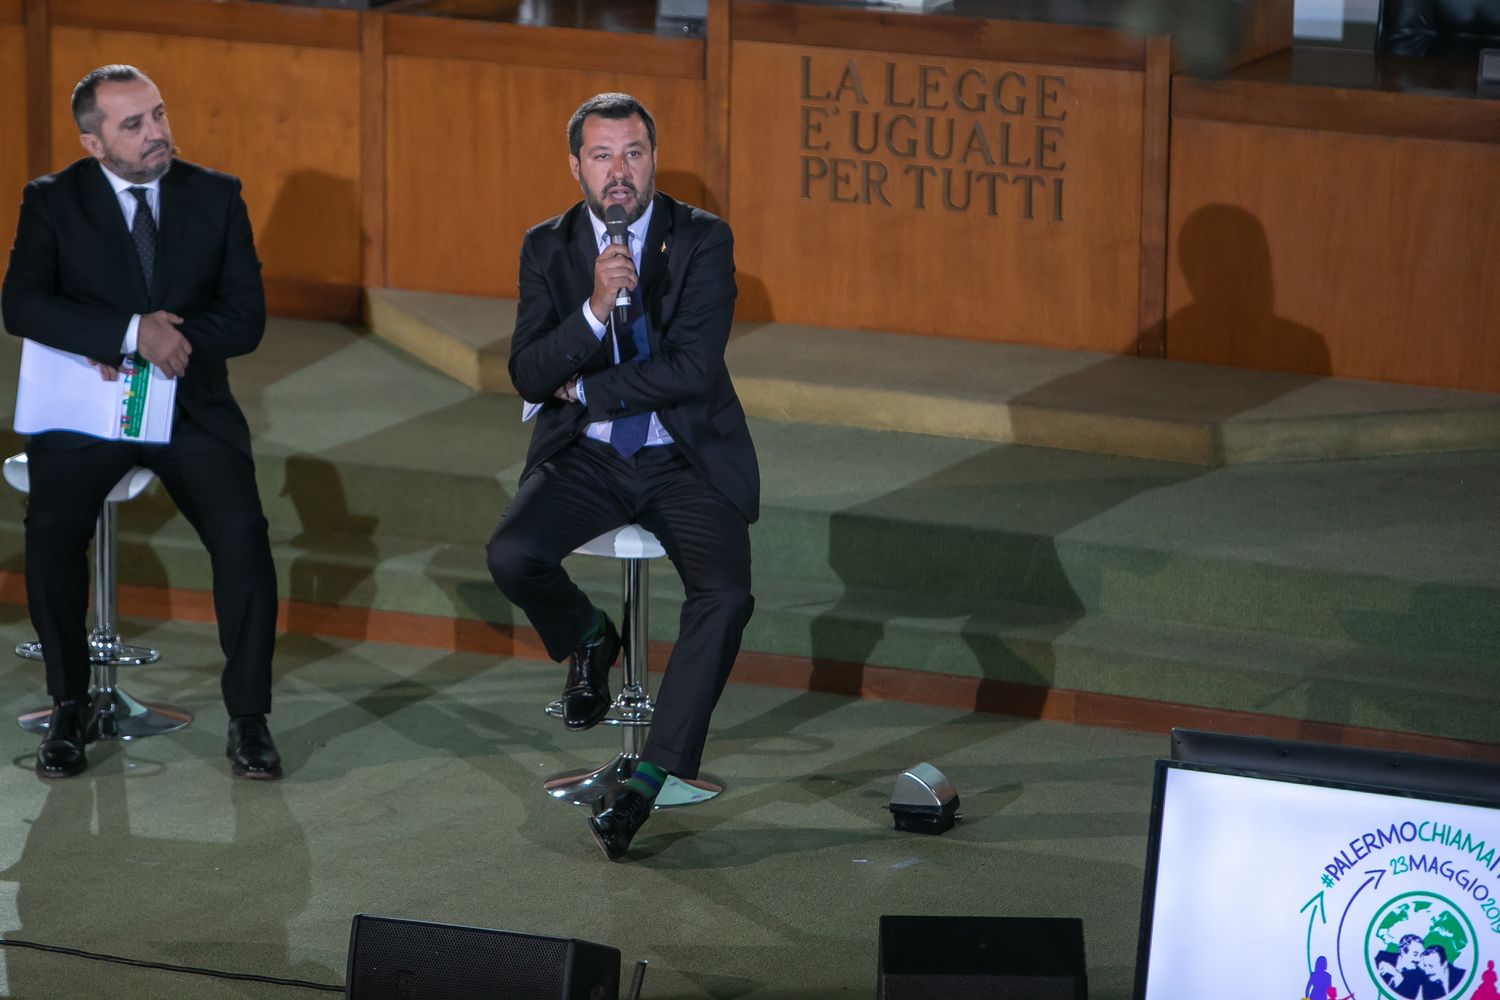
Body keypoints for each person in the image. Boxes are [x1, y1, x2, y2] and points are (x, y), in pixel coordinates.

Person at [486, 92, 758, 860]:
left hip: (685, 454)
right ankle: (589, 637)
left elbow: (693, 369)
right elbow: (527, 371)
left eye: (633, 153)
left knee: (726, 595)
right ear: (575, 165)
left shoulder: (701, 239)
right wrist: (595, 314)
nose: (620, 173)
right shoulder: (548, 246)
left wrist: (586, 385)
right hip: (590, 454)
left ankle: (649, 780)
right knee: (511, 553)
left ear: (652, 158)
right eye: (602, 156)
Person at [1, 65, 281, 779]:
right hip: (88, 411)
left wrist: (170, 345)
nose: (157, 133)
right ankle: (70, 707)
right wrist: (126, 334)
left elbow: (246, 316)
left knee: (242, 534)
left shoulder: (215, 195)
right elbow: (22, 305)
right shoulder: (53, 201)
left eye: (157, 114)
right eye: (134, 125)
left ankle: (250, 720)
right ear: (95, 144)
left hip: (189, 406)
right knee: (52, 529)